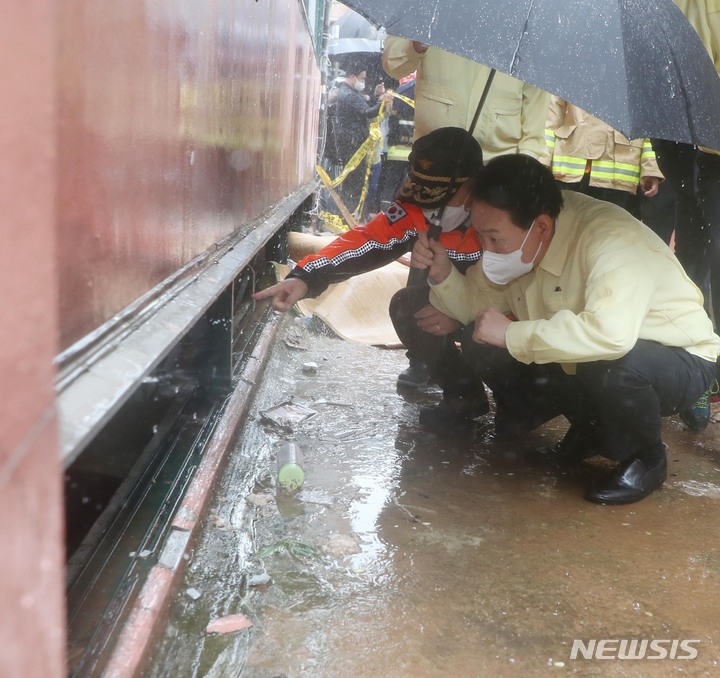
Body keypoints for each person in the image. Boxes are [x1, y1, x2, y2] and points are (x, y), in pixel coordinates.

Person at [413, 154, 720, 505]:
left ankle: (646, 457)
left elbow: (611, 335)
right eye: (480, 236)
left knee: (612, 363)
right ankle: (589, 432)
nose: (487, 250)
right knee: (493, 338)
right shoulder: (521, 232)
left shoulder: (612, 240)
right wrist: (442, 274)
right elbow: (479, 312)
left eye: (494, 238)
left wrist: (512, 335)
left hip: (677, 358)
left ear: (541, 227)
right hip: (598, 356)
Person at [253, 127, 488, 416]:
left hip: (497, 317)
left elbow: (518, 299)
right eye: (426, 197)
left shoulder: (502, 217)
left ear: (474, 185)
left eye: (442, 198)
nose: (432, 209)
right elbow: (365, 241)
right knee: (408, 305)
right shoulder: (416, 205)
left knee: (498, 348)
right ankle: (463, 395)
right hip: (449, 306)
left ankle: (518, 410)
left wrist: (461, 315)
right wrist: (305, 278)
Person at [382, 37, 549, 162]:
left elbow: (534, 120)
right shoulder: (432, 8)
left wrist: (525, 169)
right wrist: (417, 43)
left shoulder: (529, 25)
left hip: (497, 169)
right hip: (432, 159)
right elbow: (394, 67)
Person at [544, 97, 662, 219]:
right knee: (567, 230)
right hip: (571, 172)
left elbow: (649, 126)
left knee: (611, 233)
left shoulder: (638, 79)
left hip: (617, 176)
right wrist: (542, 163)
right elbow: (550, 120)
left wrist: (650, 171)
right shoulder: (569, 77)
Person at [329, 58, 392, 219]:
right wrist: (381, 102)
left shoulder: (350, 93)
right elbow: (367, 112)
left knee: (355, 182)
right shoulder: (347, 94)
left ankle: (350, 215)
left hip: (353, 144)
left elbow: (363, 105)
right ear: (352, 76)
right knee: (354, 183)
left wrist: (376, 96)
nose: (363, 82)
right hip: (352, 145)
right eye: (362, 78)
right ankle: (347, 216)